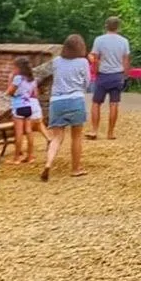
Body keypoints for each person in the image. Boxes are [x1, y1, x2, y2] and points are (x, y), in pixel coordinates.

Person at [42, 34, 90, 181]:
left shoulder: (56, 61)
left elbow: (44, 74)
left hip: (57, 101)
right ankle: (75, 169)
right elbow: (87, 82)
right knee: (76, 136)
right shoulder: (83, 62)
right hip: (76, 99)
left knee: (57, 137)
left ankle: (48, 163)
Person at [88, 16, 131, 140]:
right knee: (114, 103)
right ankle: (110, 132)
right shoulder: (124, 41)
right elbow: (126, 59)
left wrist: (95, 71)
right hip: (117, 74)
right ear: (118, 27)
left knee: (96, 103)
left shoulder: (99, 40)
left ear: (106, 26)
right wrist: (125, 75)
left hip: (103, 74)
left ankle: (94, 130)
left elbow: (95, 58)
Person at [8, 57, 49, 164]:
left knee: (19, 133)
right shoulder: (32, 79)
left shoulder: (18, 78)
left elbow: (10, 91)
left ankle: (16, 158)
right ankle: (30, 156)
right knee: (29, 131)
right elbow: (34, 94)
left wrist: (10, 80)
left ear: (19, 68)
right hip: (28, 107)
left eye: (14, 67)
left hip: (18, 107)